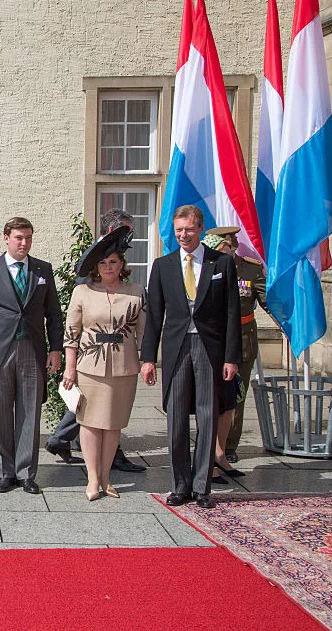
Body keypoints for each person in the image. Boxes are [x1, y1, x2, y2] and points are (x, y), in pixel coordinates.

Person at [140, 205, 241, 510]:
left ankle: (202, 486)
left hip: (210, 349)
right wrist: (148, 359)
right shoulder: (163, 265)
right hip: (176, 348)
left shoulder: (221, 263)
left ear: (200, 230)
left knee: (208, 417)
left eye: (189, 229)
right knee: (177, 417)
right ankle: (180, 485)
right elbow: (155, 316)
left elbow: (232, 313)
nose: (183, 235)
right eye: (179, 230)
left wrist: (231, 357)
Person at [46, 208, 146, 473]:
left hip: (118, 355)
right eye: (126, 229)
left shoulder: (124, 273)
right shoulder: (95, 260)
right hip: (93, 352)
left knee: (103, 407)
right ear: (112, 230)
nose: (130, 235)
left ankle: (66, 440)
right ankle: (94, 453)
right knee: (91, 407)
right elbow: (81, 308)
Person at [0, 216, 63, 495]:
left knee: (30, 411)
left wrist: (55, 348)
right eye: (19, 237)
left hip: (32, 349)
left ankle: (26, 473)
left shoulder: (42, 270)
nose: (24, 243)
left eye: (29, 238)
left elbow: (54, 314)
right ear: (6, 238)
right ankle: (4, 472)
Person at [205, 225, 266, 467]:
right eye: (221, 248)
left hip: (242, 339)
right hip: (213, 340)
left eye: (228, 247)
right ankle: (210, 443)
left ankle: (229, 446)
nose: (225, 251)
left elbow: (267, 302)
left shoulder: (250, 270)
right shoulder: (206, 269)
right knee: (211, 394)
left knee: (237, 395)